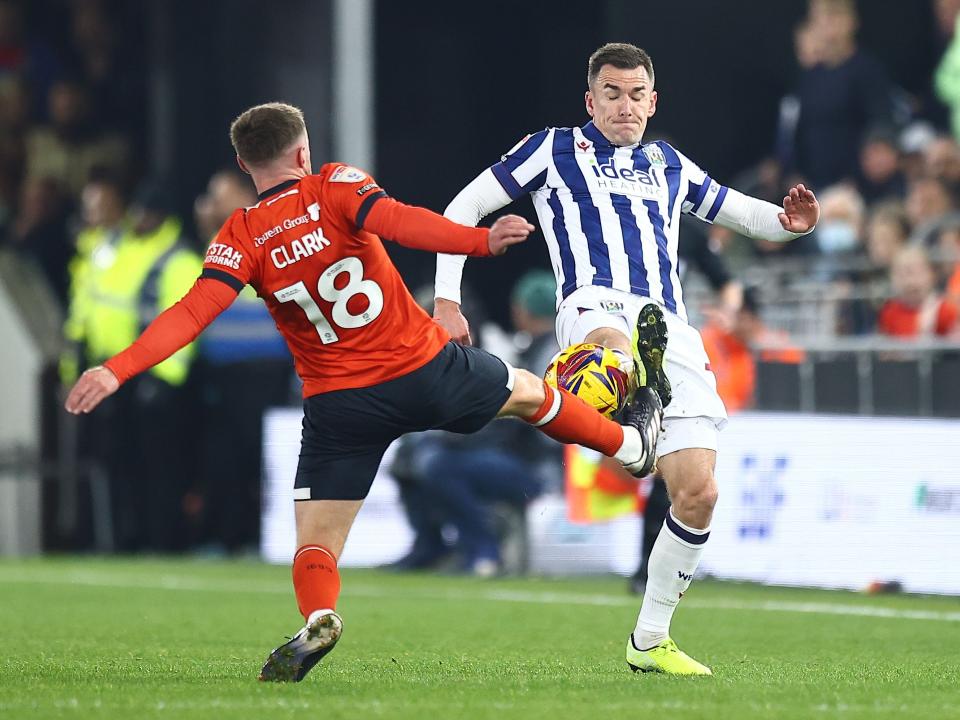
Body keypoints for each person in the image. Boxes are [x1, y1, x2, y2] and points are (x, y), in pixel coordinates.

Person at [64, 102, 665, 683]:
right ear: (303, 150)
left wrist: (116, 369)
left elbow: (193, 312)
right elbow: (402, 222)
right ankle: (629, 448)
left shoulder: (240, 234)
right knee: (532, 395)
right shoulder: (334, 186)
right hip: (422, 369)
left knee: (316, 545)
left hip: (339, 405)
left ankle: (320, 616)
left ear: (246, 167)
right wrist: (478, 241)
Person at [433, 43, 820, 675]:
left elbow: (738, 211)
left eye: (636, 94)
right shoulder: (552, 149)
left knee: (698, 494)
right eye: (612, 93)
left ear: (653, 101)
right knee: (613, 347)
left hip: (672, 323)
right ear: (590, 100)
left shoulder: (667, 161)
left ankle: (650, 638)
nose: (625, 105)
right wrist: (447, 301)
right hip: (593, 305)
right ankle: (628, 428)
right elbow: (463, 208)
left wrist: (790, 222)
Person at [878, 245, 958, 337]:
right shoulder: (889, 312)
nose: (910, 282)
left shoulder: (946, 309)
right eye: (901, 274)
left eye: (916, 272)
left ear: (932, 274)